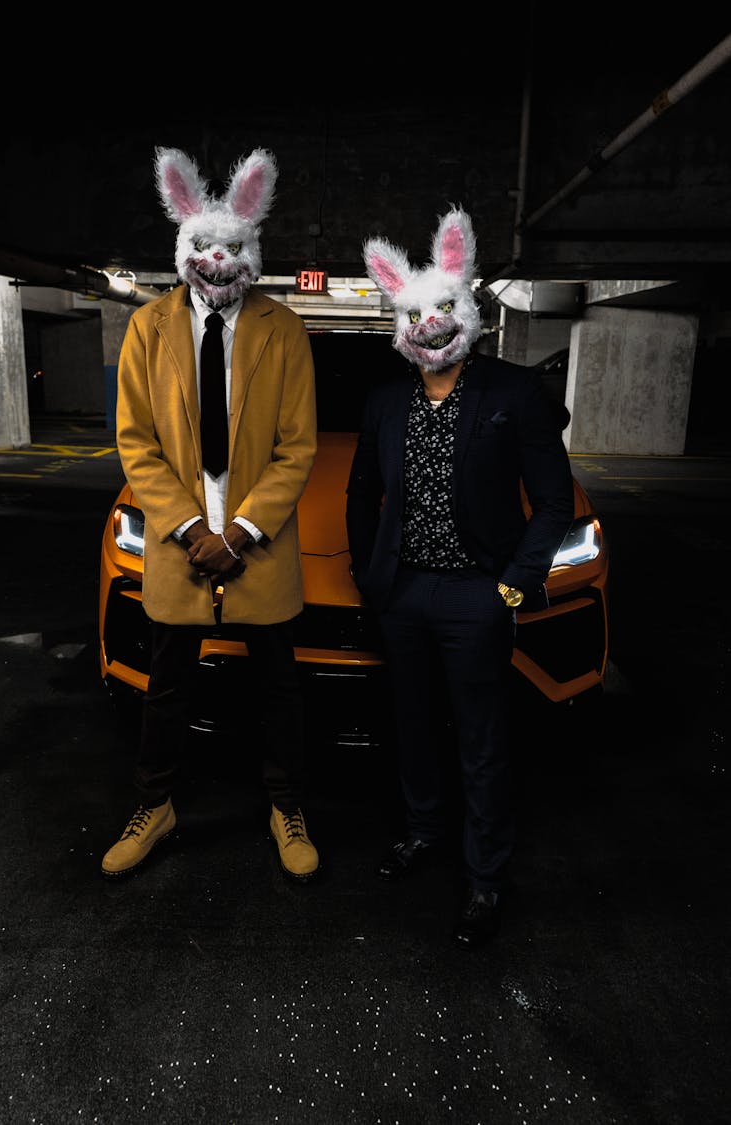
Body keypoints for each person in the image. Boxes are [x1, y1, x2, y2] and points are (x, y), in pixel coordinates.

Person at [345, 207, 574, 946]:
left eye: (443, 307)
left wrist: (514, 582)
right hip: (404, 593)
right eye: (416, 313)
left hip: (479, 592)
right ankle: (423, 833)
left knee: (481, 738)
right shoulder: (385, 400)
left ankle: (484, 876)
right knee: (411, 727)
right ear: (400, 321)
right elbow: (357, 494)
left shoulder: (512, 394)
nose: (430, 324)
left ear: (466, 309)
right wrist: (369, 575)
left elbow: (553, 500)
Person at [101, 146, 319, 883]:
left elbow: (298, 446)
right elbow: (135, 439)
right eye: (205, 248)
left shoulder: (284, 329)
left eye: (232, 249)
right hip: (179, 544)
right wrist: (193, 529)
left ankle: (286, 805)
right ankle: (154, 806)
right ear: (184, 249)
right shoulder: (147, 330)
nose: (218, 262)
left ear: (251, 253)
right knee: (168, 688)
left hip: (258, 545)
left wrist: (243, 531)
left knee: (278, 690)